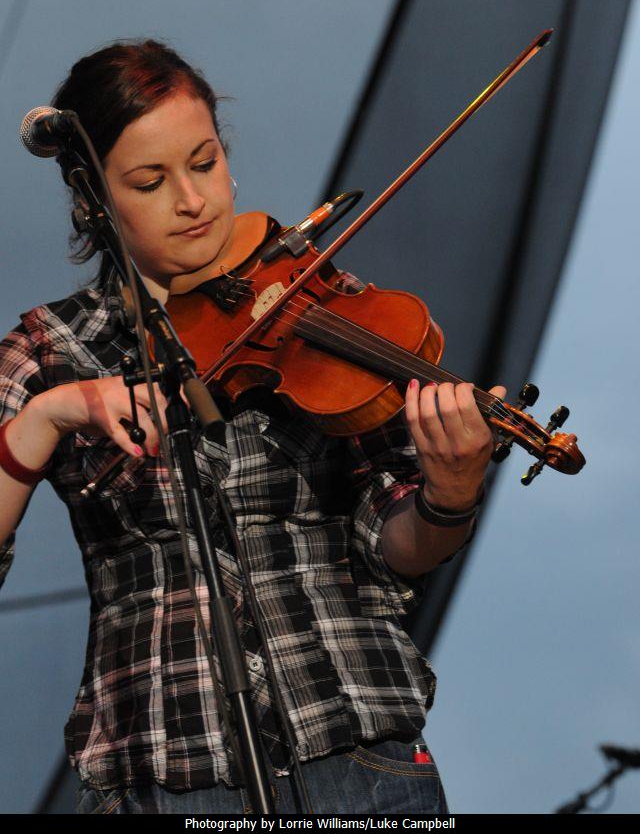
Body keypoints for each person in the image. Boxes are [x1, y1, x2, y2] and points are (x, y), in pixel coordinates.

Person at [0, 40, 505, 815]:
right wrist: (47, 416)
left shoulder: (316, 302)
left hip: (359, 749)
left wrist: (450, 493)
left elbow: (398, 548)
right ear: (93, 199)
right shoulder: (52, 346)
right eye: (150, 181)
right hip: (169, 764)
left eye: (205, 163)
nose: (193, 200)